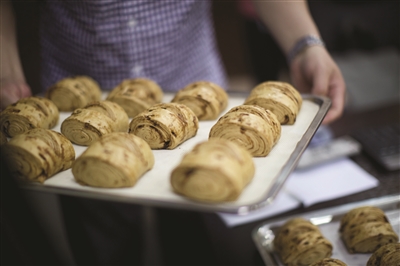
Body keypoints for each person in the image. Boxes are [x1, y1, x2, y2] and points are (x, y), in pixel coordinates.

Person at [1, 1, 346, 265]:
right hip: (80, 94)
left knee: (199, 240)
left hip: (197, 93)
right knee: (104, 238)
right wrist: (5, 71)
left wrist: (306, 44)